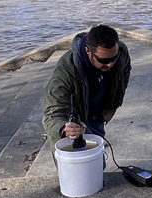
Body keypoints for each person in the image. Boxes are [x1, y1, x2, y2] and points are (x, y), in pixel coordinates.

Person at [42, 24, 131, 154]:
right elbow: (52, 111)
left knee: (97, 159)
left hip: (98, 114)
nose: (110, 64)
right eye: (103, 60)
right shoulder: (67, 69)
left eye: (114, 58)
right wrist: (63, 128)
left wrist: (114, 105)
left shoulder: (120, 52)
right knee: (79, 165)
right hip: (75, 121)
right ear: (88, 51)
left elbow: (124, 75)